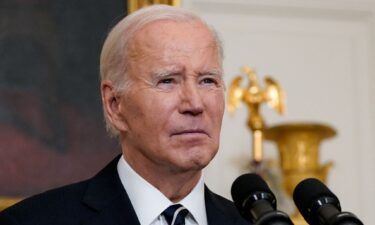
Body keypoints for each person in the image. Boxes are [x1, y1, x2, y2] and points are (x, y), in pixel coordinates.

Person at [0, 5, 251, 225]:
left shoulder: (250, 221)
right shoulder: (33, 220)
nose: (195, 104)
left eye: (208, 80)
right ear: (114, 104)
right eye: (167, 81)